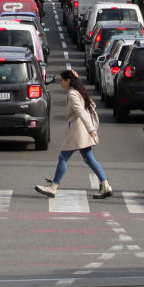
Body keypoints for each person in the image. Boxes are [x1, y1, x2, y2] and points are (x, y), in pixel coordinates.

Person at [35, 70, 112, 199]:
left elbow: (81, 112)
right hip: (82, 130)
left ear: (68, 81)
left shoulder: (72, 94)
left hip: (78, 130)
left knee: (63, 157)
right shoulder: (80, 91)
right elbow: (92, 105)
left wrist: (91, 129)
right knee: (89, 159)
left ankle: (53, 187)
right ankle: (105, 185)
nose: (60, 82)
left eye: (62, 80)